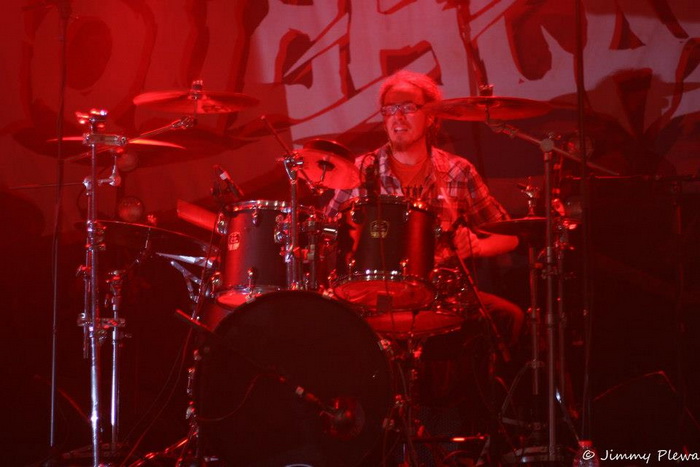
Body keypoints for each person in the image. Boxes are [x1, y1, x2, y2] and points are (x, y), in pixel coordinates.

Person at [325, 70, 524, 347]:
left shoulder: (458, 171)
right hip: (373, 297)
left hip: (442, 296)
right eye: (389, 109)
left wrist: (477, 246)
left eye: (408, 108)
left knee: (509, 318)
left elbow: (510, 236)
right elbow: (327, 233)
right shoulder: (357, 171)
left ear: (430, 117)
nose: (397, 116)